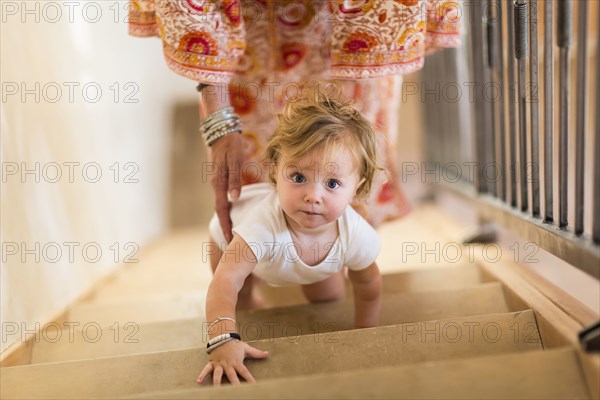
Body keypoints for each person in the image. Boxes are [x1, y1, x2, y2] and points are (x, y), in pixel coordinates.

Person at [128, 0, 461, 241]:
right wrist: (219, 117)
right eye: (300, 179)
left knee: (344, 166)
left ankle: (336, 263)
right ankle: (257, 276)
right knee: (252, 199)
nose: (313, 196)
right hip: (246, 29)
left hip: (351, 28)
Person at [196, 88, 383, 385]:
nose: (313, 196)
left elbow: (368, 283)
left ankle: (311, 280)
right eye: (298, 178)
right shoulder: (261, 224)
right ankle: (247, 309)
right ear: (276, 169)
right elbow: (225, 281)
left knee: (331, 298)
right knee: (240, 299)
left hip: (302, 256)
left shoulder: (354, 233)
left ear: (357, 187)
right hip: (229, 236)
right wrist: (222, 341)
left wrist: (366, 332)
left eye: (333, 183)